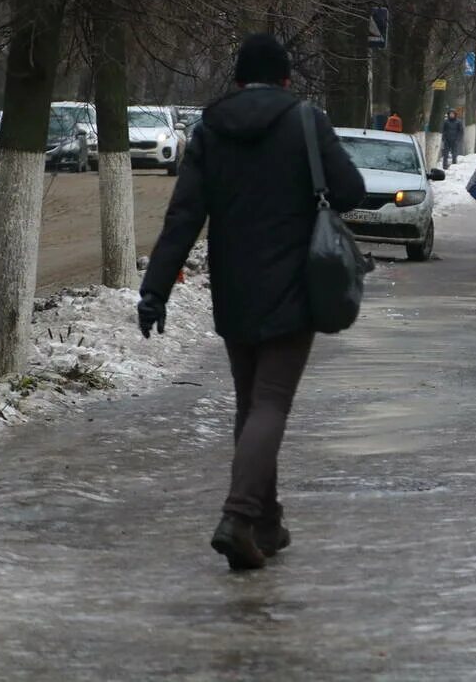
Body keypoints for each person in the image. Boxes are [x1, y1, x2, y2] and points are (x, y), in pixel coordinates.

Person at [137, 33, 365, 572]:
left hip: (235, 286)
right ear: (287, 79)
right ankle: (238, 517)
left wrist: (156, 288)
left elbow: (184, 217)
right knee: (271, 404)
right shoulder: (305, 121)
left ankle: (266, 521)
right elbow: (351, 190)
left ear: (237, 79)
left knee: (252, 404)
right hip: (294, 283)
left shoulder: (211, 129)